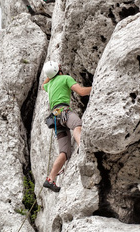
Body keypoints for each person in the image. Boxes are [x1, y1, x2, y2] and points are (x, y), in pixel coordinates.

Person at [42, 60, 92, 192]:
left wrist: (51, 73)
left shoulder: (49, 84)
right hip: (64, 113)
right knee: (77, 125)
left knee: (64, 152)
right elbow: (81, 91)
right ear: (59, 70)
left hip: (55, 119)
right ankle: (83, 146)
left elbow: (43, 85)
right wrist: (96, 87)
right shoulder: (65, 78)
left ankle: (50, 179)